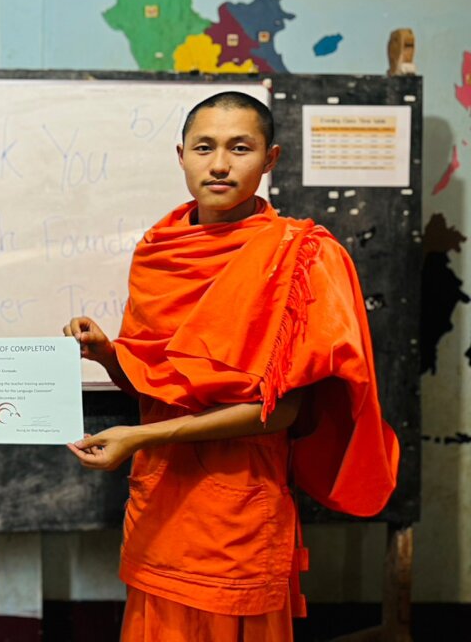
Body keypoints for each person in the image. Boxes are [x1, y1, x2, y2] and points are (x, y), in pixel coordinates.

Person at [63, 91, 399, 642]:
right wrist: (107, 354)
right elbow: (153, 389)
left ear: (270, 159)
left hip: (241, 506)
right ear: (181, 156)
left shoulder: (301, 255)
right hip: (160, 502)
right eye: (204, 147)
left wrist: (140, 438)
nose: (219, 164)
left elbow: (279, 411)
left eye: (240, 148)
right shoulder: (159, 252)